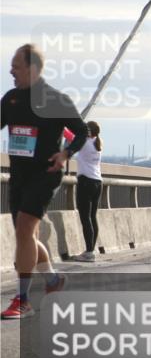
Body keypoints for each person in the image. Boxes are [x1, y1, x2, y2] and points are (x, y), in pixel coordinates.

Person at [1, 44, 86, 318]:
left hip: (46, 173)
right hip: (19, 175)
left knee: (25, 228)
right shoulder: (11, 98)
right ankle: (53, 280)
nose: (11, 71)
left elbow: (82, 132)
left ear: (33, 69)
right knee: (27, 236)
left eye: (16, 66)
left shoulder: (55, 100)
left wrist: (65, 153)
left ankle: (23, 300)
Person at [71, 120, 103, 262]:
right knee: (92, 216)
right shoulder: (97, 144)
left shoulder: (84, 142)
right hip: (97, 182)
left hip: (86, 182)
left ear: (88, 132)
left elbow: (70, 135)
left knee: (85, 218)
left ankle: (89, 252)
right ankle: (90, 250)